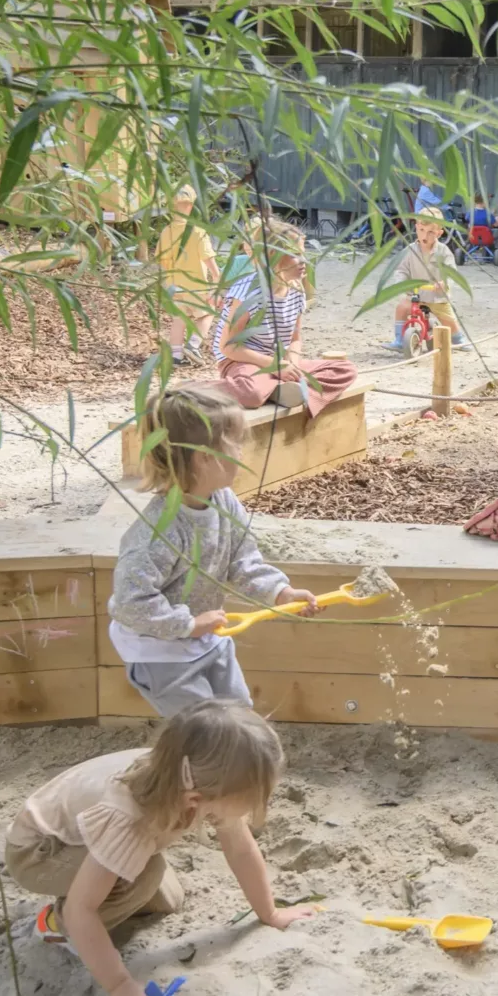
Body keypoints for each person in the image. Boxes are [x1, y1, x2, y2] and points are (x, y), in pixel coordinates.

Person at [5, 699, 318, 996]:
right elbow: (84, 909)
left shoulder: (192, 776)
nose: (259, 804)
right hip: (38, 851)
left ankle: (103, 897)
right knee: (140, 878)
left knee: (167, 899)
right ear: (197, 799)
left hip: (92, 836)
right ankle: (52, 923)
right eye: (252, 797)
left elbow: (240, 848)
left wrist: (269, 913)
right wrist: (119, 985)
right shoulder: (129, 817)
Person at [111, 383, 318, 714]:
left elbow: (242, 561)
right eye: (234, 444)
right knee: (203, 725)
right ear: (204, 459)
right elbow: (130, 603)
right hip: (160, 649)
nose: (241, 453)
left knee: (239, 713)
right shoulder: (157, 534)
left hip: (206, 635)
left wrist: (280, 592)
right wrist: (188, 625)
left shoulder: (224, 502)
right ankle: (188, 764)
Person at [213, 218, 357, 415]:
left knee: (345, 370)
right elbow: (228, 347)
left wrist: (292, 365)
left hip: (278, 360)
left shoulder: (296, 290)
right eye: (296, 255)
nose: (304, 261)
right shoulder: (247, 291)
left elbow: (295, 339)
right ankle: (198, 389)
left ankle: (279, 388)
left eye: (303, 254)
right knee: (252, 393)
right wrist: (274, 366)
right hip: (241, 361)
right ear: (272, 256)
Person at [388, 206, 471, 350]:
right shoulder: (409, 250)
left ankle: (458, 339)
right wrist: (401, 283)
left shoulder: (443, 251)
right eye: (421, 231)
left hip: (437, 297)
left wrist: (444, 283)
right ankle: (400, 340)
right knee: (401, 308)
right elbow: (401, 270)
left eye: (431, 232)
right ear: (416, 227)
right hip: (416, 296)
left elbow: (451, 272)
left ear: (439, 233)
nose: (425, 236)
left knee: (449, 320)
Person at [156, 184, 218, 366]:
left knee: (179, 319)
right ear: (191, 206)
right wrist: (217, 278)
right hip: (196, 283)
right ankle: (193, 345)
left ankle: (176, 356)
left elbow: (161, 261)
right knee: (208, 314)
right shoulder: (197, 231)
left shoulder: (166, 232)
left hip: (174, 285)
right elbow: (208, 258)